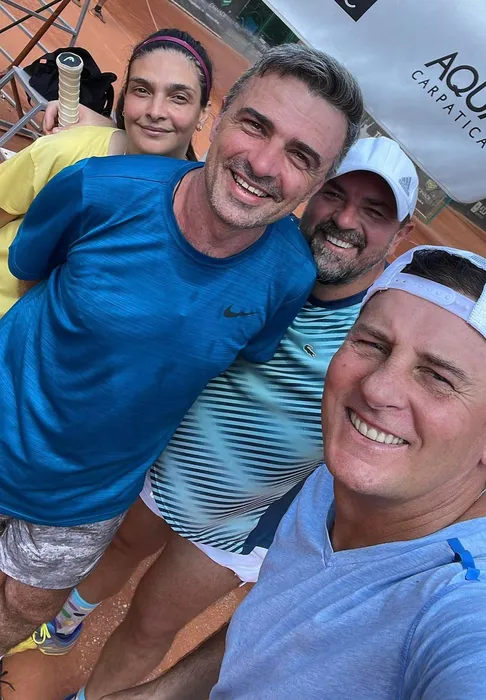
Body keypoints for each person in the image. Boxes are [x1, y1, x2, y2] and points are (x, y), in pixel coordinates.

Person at [0, 43, 362, 661]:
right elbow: (31, 275)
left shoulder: (290, 275)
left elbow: (222, 355)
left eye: (301, 156)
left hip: (87, 502)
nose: (264, 164)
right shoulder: (95, 188)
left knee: (18, 616)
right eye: (255, 125)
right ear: (217, 119)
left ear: (319, 182)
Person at [34, 136, 416, 700]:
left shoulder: (385, 327)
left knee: (150, 625)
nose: (344, 220)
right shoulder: (255, 251)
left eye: (374, 211)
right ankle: (67, 621)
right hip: (164, 467)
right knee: (117, 551)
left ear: (401, 233)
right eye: (335, 195)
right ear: (312, 191)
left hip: (242, 520)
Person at [104, 245, 486, 700]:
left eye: (438, 377)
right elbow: (276, 624)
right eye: (371, 344)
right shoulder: (334, 479)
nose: (377, 388)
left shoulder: (458, 606)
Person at [0, 28, 212, 316]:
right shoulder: (67, 150)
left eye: (178, 97)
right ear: (125, 98)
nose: (155, 110)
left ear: (203, 113)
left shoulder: (199, 211)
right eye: (142, 90)